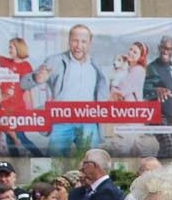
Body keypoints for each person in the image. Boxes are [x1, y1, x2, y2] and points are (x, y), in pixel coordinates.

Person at [20, 24, 108, 154]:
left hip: (88, 121)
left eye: (83, 41)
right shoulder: (54, 61)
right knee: (57, 164)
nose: (78, 46)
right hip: (61, 121)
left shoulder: (95, 65)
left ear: (90, 43)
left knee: (92, 162)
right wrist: (35, 78)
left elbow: (102, 92)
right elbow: (23, 84)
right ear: (69, 41)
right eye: (75, 40)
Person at [143, 36, 172, 158]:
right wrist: (155, 90)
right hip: (156, 114)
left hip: (171, 113)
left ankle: (171, 171)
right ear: (159, 48)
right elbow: (144, 88)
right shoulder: (151, 67)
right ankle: (158, 172)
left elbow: (171, 86)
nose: (165, 51)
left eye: (168, 49)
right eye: (163, 48)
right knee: (168, 144)